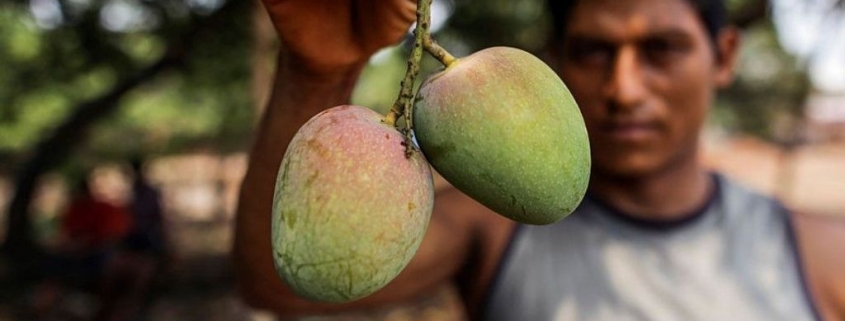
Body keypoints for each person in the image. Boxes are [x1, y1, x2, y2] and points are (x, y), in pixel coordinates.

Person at [233, 0, 845, 320]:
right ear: (554, 60)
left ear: (724, 54)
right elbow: (284, 283)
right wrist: (318, 72)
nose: (625, 87)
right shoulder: (491, 229)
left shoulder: (819, 252)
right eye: (593, 51)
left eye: (662, 48)